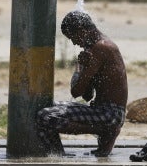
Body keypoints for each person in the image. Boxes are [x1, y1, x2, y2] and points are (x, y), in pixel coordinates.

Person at [36, 10, 128, 157]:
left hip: (110, 114)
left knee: (45, 117)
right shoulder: (94, 47)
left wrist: (79, 67)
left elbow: (76, 92)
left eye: (73, 37)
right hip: (103, 111)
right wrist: (84, 68)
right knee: (45, 105)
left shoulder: (100, 48)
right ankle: (59, 156)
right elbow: (87, 95)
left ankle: (105, 131)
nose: (73, 42)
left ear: (83, 30)